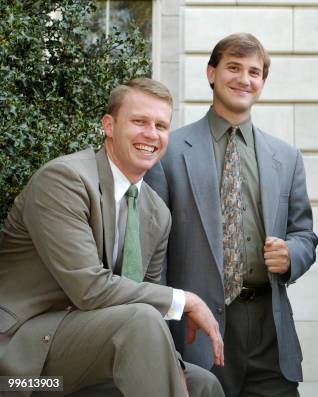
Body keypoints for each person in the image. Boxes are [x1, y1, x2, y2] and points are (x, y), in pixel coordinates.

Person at [0, 78, 224, 397]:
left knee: (203, 384)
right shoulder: (65, 181)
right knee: (141, 320)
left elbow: (142, 295)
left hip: (91, 352)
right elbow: (89, 290)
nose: (151, 134)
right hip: (21, 364)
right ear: (109, 125)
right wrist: (183, 300)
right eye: (139, 121)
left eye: (161, 125)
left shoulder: (156, 213)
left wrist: (173, 367)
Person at [145, 33, 318, 397]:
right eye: (234, 68)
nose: (244, 79)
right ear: (211, 73)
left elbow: (304, 233)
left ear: (262, 83)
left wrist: (291, 255)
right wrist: (160, 336)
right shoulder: (169, 152)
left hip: (270, 328)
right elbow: (153, 255)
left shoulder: (286, 157)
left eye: (254, 72)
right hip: (195, 329)